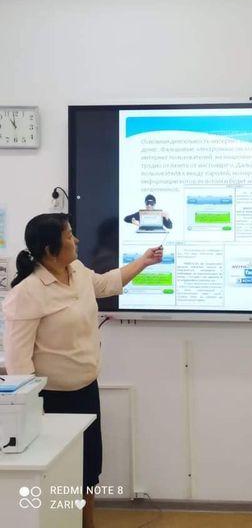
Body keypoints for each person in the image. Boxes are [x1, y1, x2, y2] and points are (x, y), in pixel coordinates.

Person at [2, 213, 163, 528]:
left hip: (86, 391)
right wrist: (32, 410)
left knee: (88, 467)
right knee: (57, 471)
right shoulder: (27, 293)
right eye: (68, 235)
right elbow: (18, 362)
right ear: (50, 249)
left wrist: (143, 262)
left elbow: (106, 283)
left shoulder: (76, 270)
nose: (75, 240)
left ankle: (87, 523)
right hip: (50, 401)